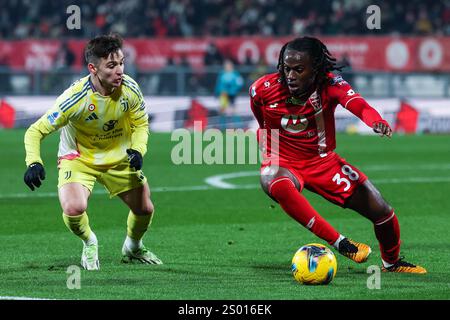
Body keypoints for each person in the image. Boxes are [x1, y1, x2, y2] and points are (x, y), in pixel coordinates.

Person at [249, 36, 426, 274]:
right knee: (275, 181)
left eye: (299, 70)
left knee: (381, 211)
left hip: (322, 162)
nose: (290, 75)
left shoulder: (331, 84)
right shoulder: (262, 89)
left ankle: (392, 263)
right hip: (282, 161)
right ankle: (340, 242)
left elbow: (358, 104)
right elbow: (261, 121)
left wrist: (376, 121)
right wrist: (271, 148)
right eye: (286, 68)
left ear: (316, 69)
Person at [23, 34, 162, 270]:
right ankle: (89, 241)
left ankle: (133, 247)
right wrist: (34, 162)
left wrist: (138, 150)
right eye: (111, 65)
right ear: (93, 68)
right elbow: (35, 131)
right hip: (79, 159)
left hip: (118, 157)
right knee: (74, 207)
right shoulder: (74, 98)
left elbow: (140, 124)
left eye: (121, 63)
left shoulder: (130, 89)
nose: (119, 71)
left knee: (145, 209)